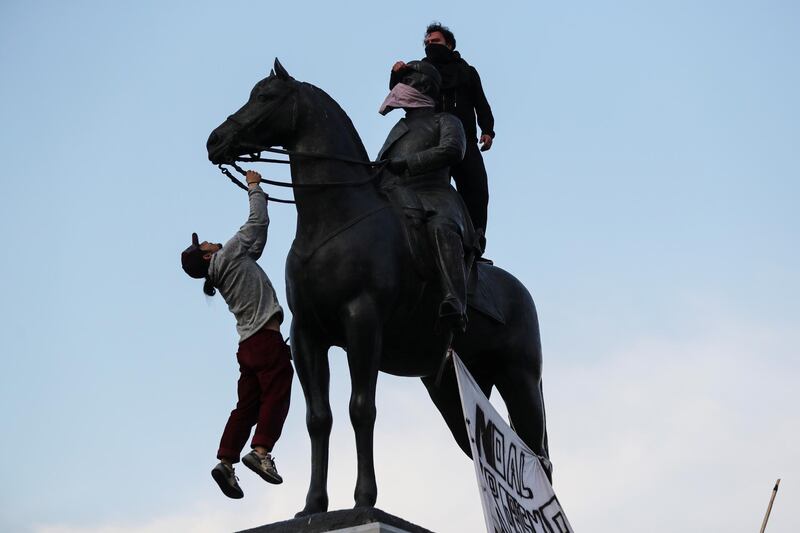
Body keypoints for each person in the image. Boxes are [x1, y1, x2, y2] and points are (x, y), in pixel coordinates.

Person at [180, 170, 293, 500]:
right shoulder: (228, 254)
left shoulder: (225, 267)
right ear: (207, 255)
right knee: (277, 393)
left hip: (246, 346)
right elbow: (256, 222)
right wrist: (254, 186)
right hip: (265, 341)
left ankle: (226, 461)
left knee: (246, 406)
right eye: (204, 244)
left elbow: (255, 244)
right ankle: (261, 452)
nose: (210, 240)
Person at [378, 61, 472, 331]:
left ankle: (456, 299)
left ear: (425, 87)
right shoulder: (399, 127)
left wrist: (409, 163)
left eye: (407, 82)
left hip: (434, 194)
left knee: (442, 227)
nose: (400, 89)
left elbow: (453, 150)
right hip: (396, 195)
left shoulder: (447, 121)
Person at [391, 22, 495, 251]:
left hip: (465, 140)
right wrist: (396, 74)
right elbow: (401, 95)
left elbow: (481, 103)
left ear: (449, 44)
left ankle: (475, 244)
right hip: (431, 140)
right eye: (427, 43)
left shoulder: (467, 72)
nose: (430, 45)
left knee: (476, 189)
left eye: (435, 42)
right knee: (426, 189)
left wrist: (487, 130)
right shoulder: (420, 70)